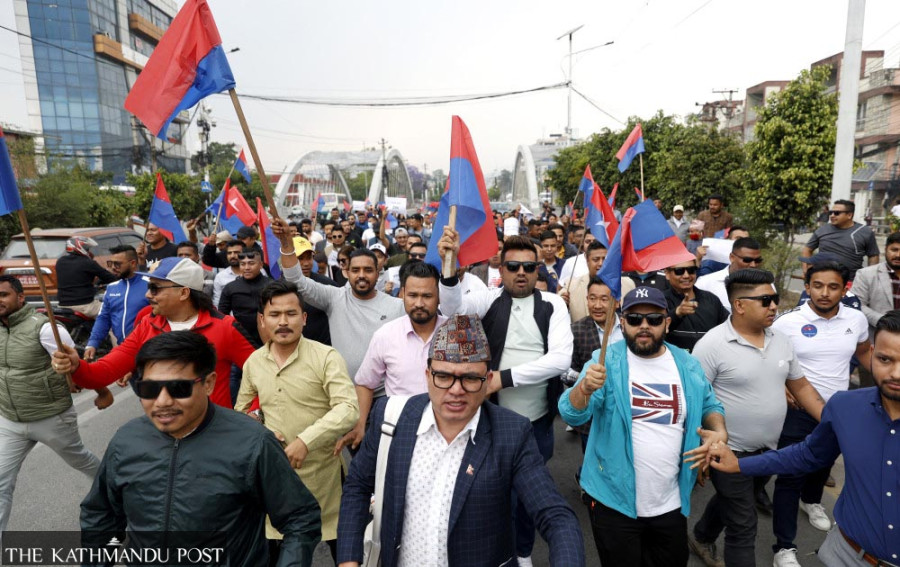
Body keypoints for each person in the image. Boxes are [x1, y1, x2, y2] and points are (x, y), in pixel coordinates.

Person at [337, 314, 585, 567]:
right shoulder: (392, 418)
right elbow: (357, 486)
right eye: (443, 376)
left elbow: (555, 516)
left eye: (469, 378)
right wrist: (348, 560)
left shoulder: (512, 434)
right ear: (427, 374)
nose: (456, 390)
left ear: (487, 380)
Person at [80, 331, 322, 567]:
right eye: (149, 389)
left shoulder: (253, 444)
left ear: (208, 383)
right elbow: (101, 517)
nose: (163, 401)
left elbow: (300, 519)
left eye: (178, 388)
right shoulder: (126, 440)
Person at [710, 309, 900, 567]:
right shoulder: (844, 408)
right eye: (885, 359)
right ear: (871, 353)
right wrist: (740, 465)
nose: (896, 373)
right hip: (844, 555)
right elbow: (807, 455)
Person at [558, 286, 726, 566]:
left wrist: (719, 433)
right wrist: (584, 389)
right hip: (613, 502)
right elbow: (571, 414)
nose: (644, 326)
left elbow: (711, 406)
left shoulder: (686, 363)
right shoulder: (605, 361)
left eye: (654, 319)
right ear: (622, 322)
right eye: (635, 319)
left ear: (667, 322)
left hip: (671, 502)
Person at [437, 232, 573, 566]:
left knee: (529, 497)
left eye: (529, 266)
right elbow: (453, 310)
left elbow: (561, 360)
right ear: (503, 268)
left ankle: (523, 554)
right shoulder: (489, 299)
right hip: (491, 421)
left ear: (538, 269)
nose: (521, 272)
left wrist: (503, 379)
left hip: (538, 422)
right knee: (489, 494)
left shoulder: (553, 304)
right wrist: (449, 265)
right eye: (513, 265)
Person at [690, 269, 827, 567]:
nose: (774, 306)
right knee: (743, 524)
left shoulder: (781, 340)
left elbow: (800, 386)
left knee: (737, 499)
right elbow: (694, 402)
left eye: (775, 299)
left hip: (767, 452)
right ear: (739, 305)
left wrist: (833, 422)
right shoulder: (711, 346)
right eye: (766, 300)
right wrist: (698, 452)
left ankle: (702, 535)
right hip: (727, 452)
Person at [236, 281, 358, 562]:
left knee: (343, 551)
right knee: (279, 553)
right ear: (262, 320)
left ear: (304, 319)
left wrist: (306, 440)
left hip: (324, 478)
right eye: (274, 314)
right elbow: (241, 413)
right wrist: (257, 426)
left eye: (291, 314)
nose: (282, 322)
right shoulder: (254, 362)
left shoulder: (326, 356)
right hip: (274, 481)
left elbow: (348, 408)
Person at [764, 262, 870, 565]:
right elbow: (766, 355)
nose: (825, 293)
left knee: (822, 465)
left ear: (844, 288)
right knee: (790, 476)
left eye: (833, 286)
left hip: (837, 409)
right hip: (796, 410)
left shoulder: (857, 319)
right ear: (807, 287)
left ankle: (811, 502)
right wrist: (781, 385)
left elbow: (864, 351)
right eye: (818, 285)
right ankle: (784, 547)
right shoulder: (786, 322)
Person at [53, 257, 257, 409]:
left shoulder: (225, 327)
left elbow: (265, 377)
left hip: (215, 435)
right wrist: (75, 366)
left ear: (184, 292)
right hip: (165, 434)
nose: (147, 294)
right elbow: (102, 373)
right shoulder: (147, 325)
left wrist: (252, 413)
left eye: (155, 288)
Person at [0, 275, 102, 533]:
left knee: (81, 460)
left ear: (21, 298)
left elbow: (78, 366)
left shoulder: (46, 328)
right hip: (10, 420)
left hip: (51, 418)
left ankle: (116, 487)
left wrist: (102, 390)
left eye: (3, 295)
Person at [273, 218, 405, 380]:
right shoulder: (334, 297)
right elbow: (296, 281)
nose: (362, 275)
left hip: (384, 394)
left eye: (368, 270)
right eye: (356, 270)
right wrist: (286, 242)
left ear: (378, 274)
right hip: (342, 392)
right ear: (347, 272)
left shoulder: (397, 306)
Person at [341, 261, 446, 452]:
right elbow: (365, 383)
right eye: (413, 295)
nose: (419, 303)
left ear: (439, 297)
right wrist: (360, 425)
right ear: (402, 294)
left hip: (448, 432)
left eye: (427, 296)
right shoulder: (385, 335)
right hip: (401, 434)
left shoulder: (455, 333)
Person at [85, 244, 149, 362]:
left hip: (147, 351)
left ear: (133, 263)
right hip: (123, 350)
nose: (113, 267)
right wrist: (92, 343)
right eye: (111, 263)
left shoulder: (150, 285)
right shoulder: (111, 288)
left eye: (117, 264)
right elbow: (104, 318)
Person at [801, 199, 879, 280]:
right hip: (824, 280)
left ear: (849, 215)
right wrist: (807, 270)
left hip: (852, 282)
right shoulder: (822, 230)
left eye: (837, 213)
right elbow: (807, 249)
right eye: (830, 212)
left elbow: (873, 255)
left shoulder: (865, 232)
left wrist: (870, 276)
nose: (832, 215)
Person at [663, 258, 729, 351]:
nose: (686, 275)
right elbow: (655, 329)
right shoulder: (660, 301)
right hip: (675, 361)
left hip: (709, 360)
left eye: (691, 270)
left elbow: (727, 327)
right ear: (667, 274)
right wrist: (677, 314)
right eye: (679, 271)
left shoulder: (711, 299)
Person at [695, 237, 764, 313]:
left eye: (758, 261)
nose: (753, 265)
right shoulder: (706, 283)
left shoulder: (766, 285)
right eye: (747, 260)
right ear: (732, 257)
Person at [219, 248, 271, 347]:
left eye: (251, 263)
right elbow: (222, 315)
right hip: (241, 339)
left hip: (269, 337)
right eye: (243, 264)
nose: (247, 267)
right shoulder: (231, 288)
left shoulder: (271, 286)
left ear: (260, 265)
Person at [850, 231, 900, 334]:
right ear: (885, 249)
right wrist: (883, 321)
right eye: (894, 250)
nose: (898, 255)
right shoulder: (865, 274)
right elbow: (856, 304)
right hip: (875, 337)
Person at [292, 236, 339, 345]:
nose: (306, 263)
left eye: (309, 257)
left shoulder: (328, 285)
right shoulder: (279, 288)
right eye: (300, 258)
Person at [56, 236, 117, 317]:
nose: (89, 251)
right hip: (85, 306)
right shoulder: (88, 262)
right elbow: (110, 278)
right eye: (87, 248)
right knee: (113, 311)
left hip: (63, 305)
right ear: (80, 247)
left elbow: (76, 279)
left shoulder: (60, 261)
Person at [559, 240, 607, 323]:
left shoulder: (626, 284)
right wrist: (560, 302)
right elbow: (556, 302)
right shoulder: (571, 286)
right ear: (587, 261)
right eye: (596, 260)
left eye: (605, 259)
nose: (601, 263)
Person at [212, 240, 246, 306]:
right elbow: (217, 301)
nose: (232, 256)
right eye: (229, 253)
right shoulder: (220, 276)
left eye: (236, 252)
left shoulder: (257, 272)